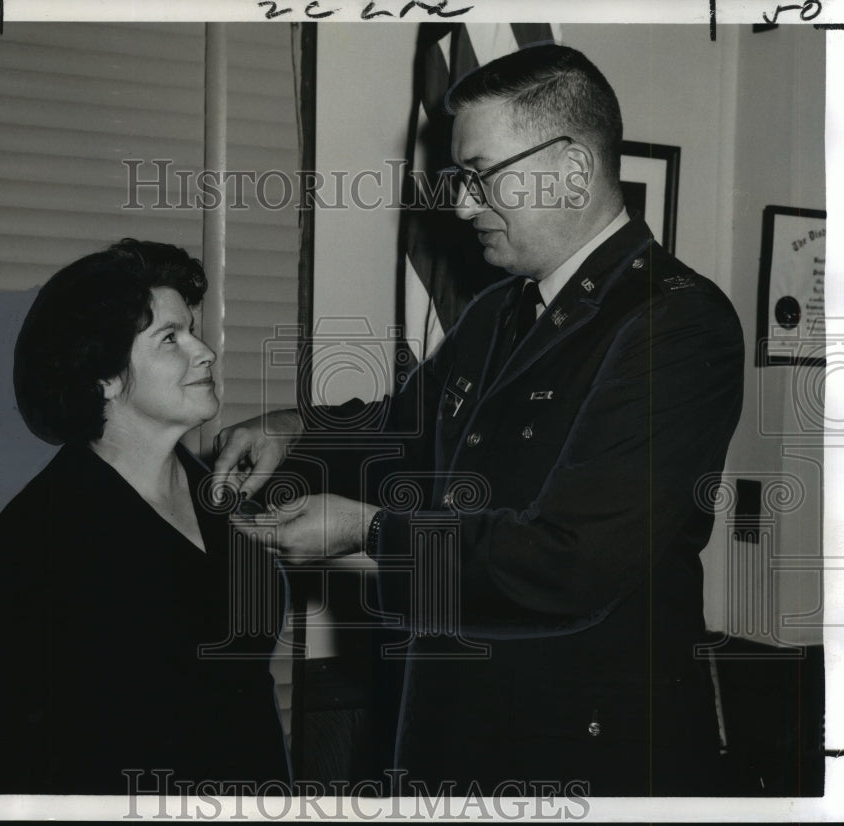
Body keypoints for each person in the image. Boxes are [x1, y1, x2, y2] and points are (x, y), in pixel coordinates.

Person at [214, 45, 745, 796]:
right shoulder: (501, 309)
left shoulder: (677, 324)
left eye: (480, 176)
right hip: (441, 735)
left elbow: (569, 562)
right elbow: (402, 437)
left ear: (569, 171)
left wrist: (367, 533)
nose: (461, 206)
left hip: (579, 761)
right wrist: (292, 431)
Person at [0, 239, 290, 794]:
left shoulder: (220, 495)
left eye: (192, 329)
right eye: (170, 338)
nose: (205, 351)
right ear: (105, 376)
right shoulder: (30, 549)